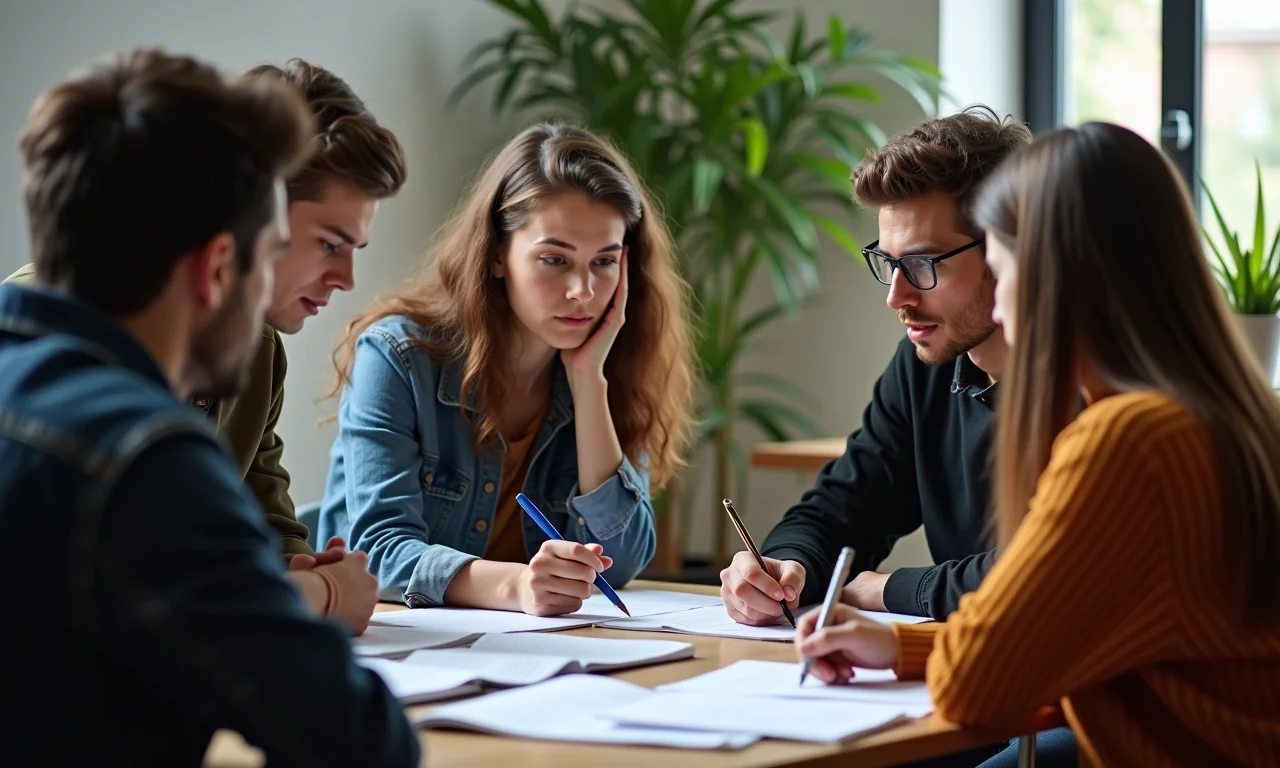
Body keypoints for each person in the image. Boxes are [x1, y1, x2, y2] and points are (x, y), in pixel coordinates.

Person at [795, 122, 1280, 766]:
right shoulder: (1217, 413)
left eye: (1003, 267)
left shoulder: (1127, 439)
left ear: (1059, 275)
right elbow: (1047, 639)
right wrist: (899, 647)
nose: (1000, 306)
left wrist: (889, 599)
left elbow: (982, 685)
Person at [0, 48, 417, 766]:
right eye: (265, 255)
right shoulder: (140, 458)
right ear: (217, 264)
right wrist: (313, 599)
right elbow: (360, 742)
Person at [318, 122, 695, 615]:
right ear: (498, 256)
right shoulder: (397, 357)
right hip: (402, 646)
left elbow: (619, 563)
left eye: (603, 262)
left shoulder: (612, 368)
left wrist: (588, 384)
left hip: (537, 655)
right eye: (555, 259)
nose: (582, 291)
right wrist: (514, 586)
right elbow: (377, 551)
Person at [720, 106, 1030, 626]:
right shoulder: (925, 364)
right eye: (890, 263)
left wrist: (886, 590)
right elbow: (843, 505)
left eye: (923, 264)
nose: (896, 296)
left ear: (1007, 250)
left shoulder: (1094, 383)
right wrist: (787, 565)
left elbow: (1046, 572)